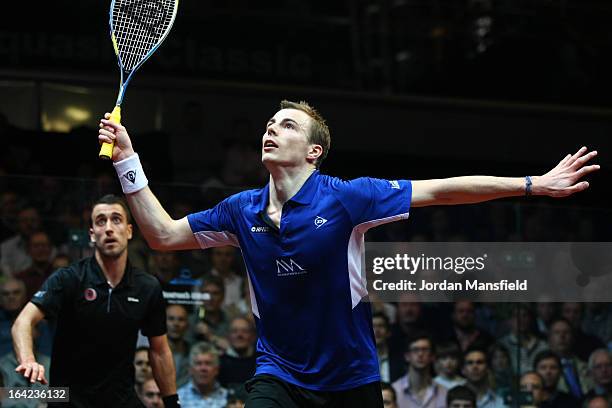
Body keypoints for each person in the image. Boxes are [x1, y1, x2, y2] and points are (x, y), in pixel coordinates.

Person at [98, 100, 599, 408]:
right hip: (278, 374)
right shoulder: (239, 209)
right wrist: (127, 160)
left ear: (314, 151)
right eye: (270, 123)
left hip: (350, 378)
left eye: (287, 125)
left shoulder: (346, 197)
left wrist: (533, 184)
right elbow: (162, 235)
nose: (271, 129)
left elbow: (443, 190)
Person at [11, 194, 179, 408]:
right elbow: (23, 322)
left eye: (116, 219)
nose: (109, 228)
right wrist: (28, 360)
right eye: (101, 221)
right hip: (67, 399)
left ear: (129, 231)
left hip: (121, 400)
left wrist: (172, 402)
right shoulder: (69, 278)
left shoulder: (147, 287)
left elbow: (160, 350)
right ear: (92, 235)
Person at [392, 331, 447, 408]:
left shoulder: (444, 392)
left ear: (432, 356)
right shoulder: (394, 391)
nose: (420, 354)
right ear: (407, 356)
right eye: (415, 350)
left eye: (425, 350)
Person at [177, 342, 229, 408]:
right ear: (190, 369)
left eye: (208, 363)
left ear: (216, 369)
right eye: (198, 363)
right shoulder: (179, 398)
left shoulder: (227, 397)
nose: (203, 368)